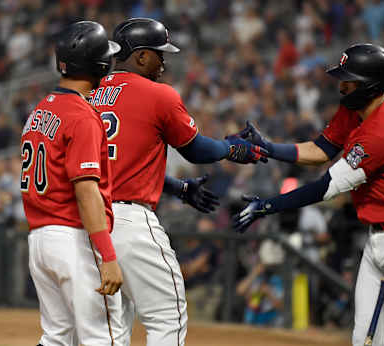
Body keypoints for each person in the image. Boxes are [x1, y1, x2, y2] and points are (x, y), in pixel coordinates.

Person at [233, 43, 384, 346]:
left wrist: (269, 205)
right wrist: (269, 148)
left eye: (349, 80)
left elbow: (324, 187)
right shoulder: (359, 108)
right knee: (362, 339)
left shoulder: (381, 132)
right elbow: (321, 149)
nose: (342, 85)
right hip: (379, 237)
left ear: (370, 85)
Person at [89, 18, 268, 346]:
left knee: (108, 329)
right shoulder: (158, 94)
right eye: (159, 53)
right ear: (141, 56)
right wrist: (231, 147)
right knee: (167, 316)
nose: (164, 61)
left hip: (88, 224)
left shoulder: (91, 93)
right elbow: (196, 149)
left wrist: (174, 186)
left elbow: (107, 163)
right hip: (129, 222)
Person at [20, 21, 124, 345]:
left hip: (40, 240)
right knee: (102, 338)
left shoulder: (39, 111)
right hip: (74, 239)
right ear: (99, 64)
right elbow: (86, 191)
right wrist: (108, 256)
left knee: (55, 338)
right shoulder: (81, 116)